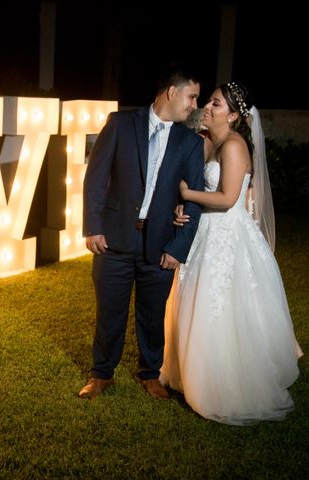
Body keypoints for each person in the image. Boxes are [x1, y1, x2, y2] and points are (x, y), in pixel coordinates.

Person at [160, 82, 303, 425]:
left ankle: (222, 381)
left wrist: (187, 193)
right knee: (192, 300)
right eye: (208, 100)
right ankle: (186, 370)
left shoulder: (235, 145)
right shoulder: (206, 141)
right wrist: (182, 206)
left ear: (235, 115)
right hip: (204, 232)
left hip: (228, 236)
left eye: (216, 103)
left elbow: (226, 199)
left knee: (220, 306)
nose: (206, 106)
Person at [79, 64, 205, 400]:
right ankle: (101, 374)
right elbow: (95, 178)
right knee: (109, 312)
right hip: (115, 238)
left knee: (152, 315)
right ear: (171, 91)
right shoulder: (121, 124)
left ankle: (150, 374)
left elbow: (194, 199)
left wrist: (178, 247)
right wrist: (92, 227)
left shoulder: (191, 142)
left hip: (160, 242)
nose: (195, 105)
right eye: (192, 96)